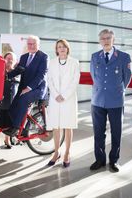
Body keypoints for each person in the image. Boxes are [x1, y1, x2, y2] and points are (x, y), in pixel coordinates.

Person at [90, 29, 132, 172]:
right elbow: (94, 76)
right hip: (97, 100)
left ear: (113, 39)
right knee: (98, 132)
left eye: (108, 38)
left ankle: (114, 160)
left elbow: (127, 77)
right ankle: (100, 160)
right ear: (100, 41)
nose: (106, 40)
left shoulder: (123, 57)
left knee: (116, 131)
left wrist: (119, 90)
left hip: (115, 101)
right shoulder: (95, 56)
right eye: (103, 38)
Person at [3, 35, 49, 137]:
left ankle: (16, 128)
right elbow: (18, 70)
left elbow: (41, 75)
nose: (31, 46)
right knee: (13, 103)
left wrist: (28, 88)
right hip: (24, 88)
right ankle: (12, 125)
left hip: (37, 89)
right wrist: (6, 76)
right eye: (29, 44)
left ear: (38, 45)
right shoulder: (24, 57)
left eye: (33, 44)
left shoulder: (44, 57)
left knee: (23, 100)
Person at [46, 39, 80, 168]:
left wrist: (64, 96)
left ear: (67, 48)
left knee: (68, 126)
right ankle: (56, 153)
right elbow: (49, 80)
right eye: (59, 47)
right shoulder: (52, 62)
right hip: (55, 100)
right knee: (56, 126)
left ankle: (66, 153)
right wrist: (55, 95)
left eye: (64, 47)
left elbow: (75, 81)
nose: (61, 49)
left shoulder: (74, 62)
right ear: (56, 49)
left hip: (68, 99)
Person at [0, 52, 19, 150]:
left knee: (9, 123)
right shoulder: (0, 71)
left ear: (15, 61)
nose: (10, 60)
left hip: (13, 101)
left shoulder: (17, 72)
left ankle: (7, 139)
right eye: (8, 58)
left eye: (12, 59)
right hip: (1, 100)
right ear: (4, 59)